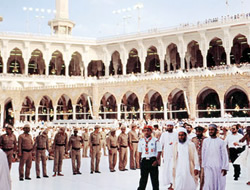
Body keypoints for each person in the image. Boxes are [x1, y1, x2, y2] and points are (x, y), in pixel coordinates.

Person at [202, 124, 229, 190]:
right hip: (208, 166)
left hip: (218, 166)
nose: (210, 131)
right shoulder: (205, 141)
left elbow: (224, 155)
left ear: (216, 131)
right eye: (209, 130)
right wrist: (203, 165)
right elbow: (203, 153)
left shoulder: (221, 142)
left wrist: (225, 167)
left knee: (219, 184)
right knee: (208, 183)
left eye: (212, 130)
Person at [137, 125, 162, 190]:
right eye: (145, 131)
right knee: (143, 179)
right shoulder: (141, 141)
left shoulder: (155, 140)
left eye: (148, 131)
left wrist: (156, 161)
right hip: (144, 161)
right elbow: (139, 152)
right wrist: (139, 162)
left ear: (151, 131)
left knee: (154, 180)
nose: (146, 132)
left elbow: (159, 151)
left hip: (152, 161)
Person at [159, 121, 178, 188]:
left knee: (174, 168)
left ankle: (174, 183)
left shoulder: (176, 134)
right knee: (167, 169)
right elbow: (161, 145)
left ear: (173, 126)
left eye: (171, 126)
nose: (169, 127)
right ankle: (170, 183)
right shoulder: (164, 134)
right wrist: (161, 154)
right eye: (168, 126)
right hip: (167, 154)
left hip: (175, 154)